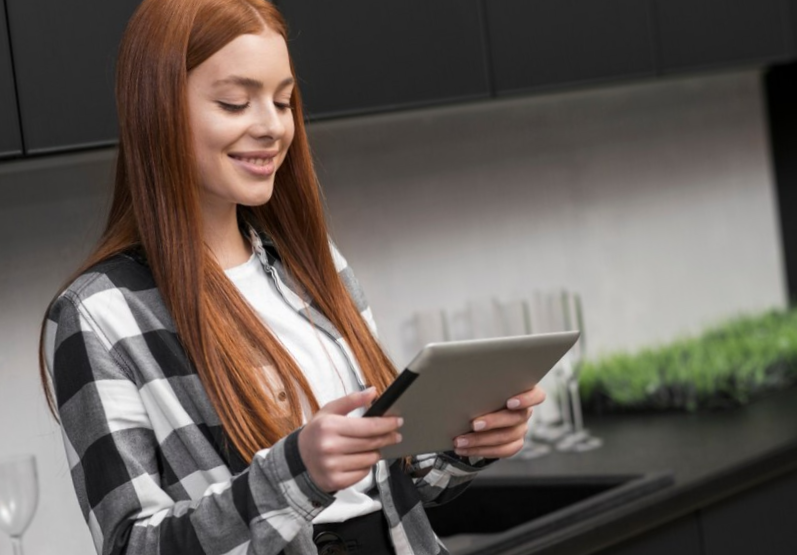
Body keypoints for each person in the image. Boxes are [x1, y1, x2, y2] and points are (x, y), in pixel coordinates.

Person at [38, 0, 545, 554]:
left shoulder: (314, 264)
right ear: (155, 109)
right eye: (235, 103)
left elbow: (392, 484)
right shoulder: (98, 314)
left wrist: (465, 444)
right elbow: (132, 546)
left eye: (283, 101)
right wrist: (294, 471)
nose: (273, 126)